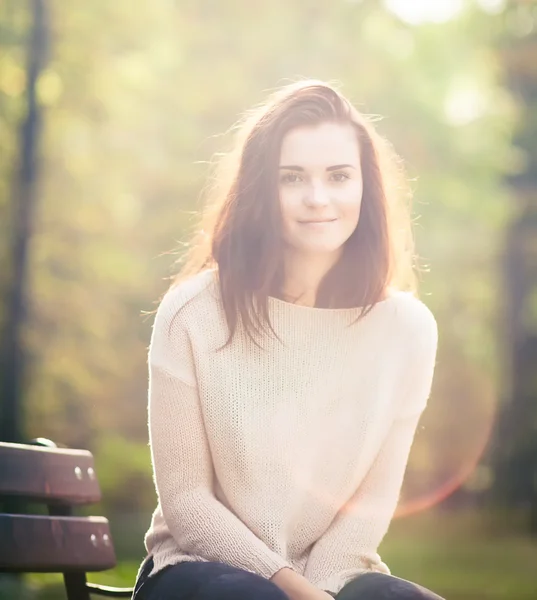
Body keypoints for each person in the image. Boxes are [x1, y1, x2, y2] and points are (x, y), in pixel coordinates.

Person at [132, 80, 442, 600]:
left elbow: (366, 513)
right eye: (292, 177)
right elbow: (187, 506)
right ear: (260, 189)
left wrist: (317, 591)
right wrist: (290, 587)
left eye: (339, 176)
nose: (317, 198)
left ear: (366, 187)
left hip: (331, 579)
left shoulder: (407, 331)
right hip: (199, 570)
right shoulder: (193, 314)